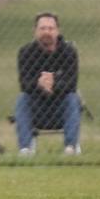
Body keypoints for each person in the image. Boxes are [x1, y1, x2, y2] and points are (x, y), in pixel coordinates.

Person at [15, 12, 81, 156]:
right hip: (37, 109)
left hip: (61, 110)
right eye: (42, 28)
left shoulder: (68, 52)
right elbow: (24, 84)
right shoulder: (25, 52)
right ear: (35, 31)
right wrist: (39, 84)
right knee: (22, 99)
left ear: (57, 30)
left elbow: (72, 84)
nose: (47, 32)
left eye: (50, 28)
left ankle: (70, 147)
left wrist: (53, 84)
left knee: (73, 98)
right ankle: (25, 149)